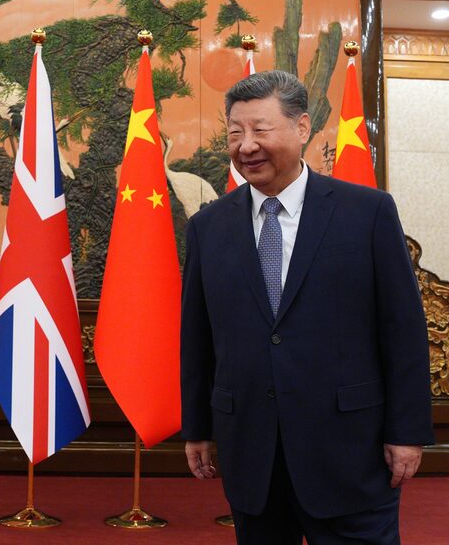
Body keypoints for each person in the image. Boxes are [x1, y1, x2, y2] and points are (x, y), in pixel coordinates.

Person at [180, 70, 433, 544]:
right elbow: (198, 338)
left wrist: (407, 431)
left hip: (350, 450)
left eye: (260, 130)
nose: (246, 146)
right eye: (235, 133)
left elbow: (401, 330)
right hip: (251, 450)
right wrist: (198, 428)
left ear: (302, 128)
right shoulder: (208, 227)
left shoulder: (368, 212)